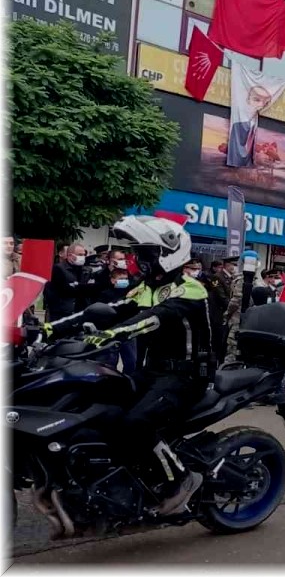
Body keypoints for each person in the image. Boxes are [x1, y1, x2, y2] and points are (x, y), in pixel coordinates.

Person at [46, 216, 215, 516]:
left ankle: (181, 479)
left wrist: (108, 337)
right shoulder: (146, 287)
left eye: (147, 253)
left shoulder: (190, 289)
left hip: (186, 375)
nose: (140, 260)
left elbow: (152, 319)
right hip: (154, 371)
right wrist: (47, 330)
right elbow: (107, 311)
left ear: (169, 253)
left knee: (137, 422)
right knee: (100, 403)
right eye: (139, 253)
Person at [44, 242, 95, 321]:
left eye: (84, 254)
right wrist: (82, 288)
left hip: (80, 312)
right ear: (70, 255)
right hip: (61, 313)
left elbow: (91, 289)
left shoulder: (86, 271)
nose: (83, 257)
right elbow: (64, 290)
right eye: (80, 255)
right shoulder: (58, 269)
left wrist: (78, 287)